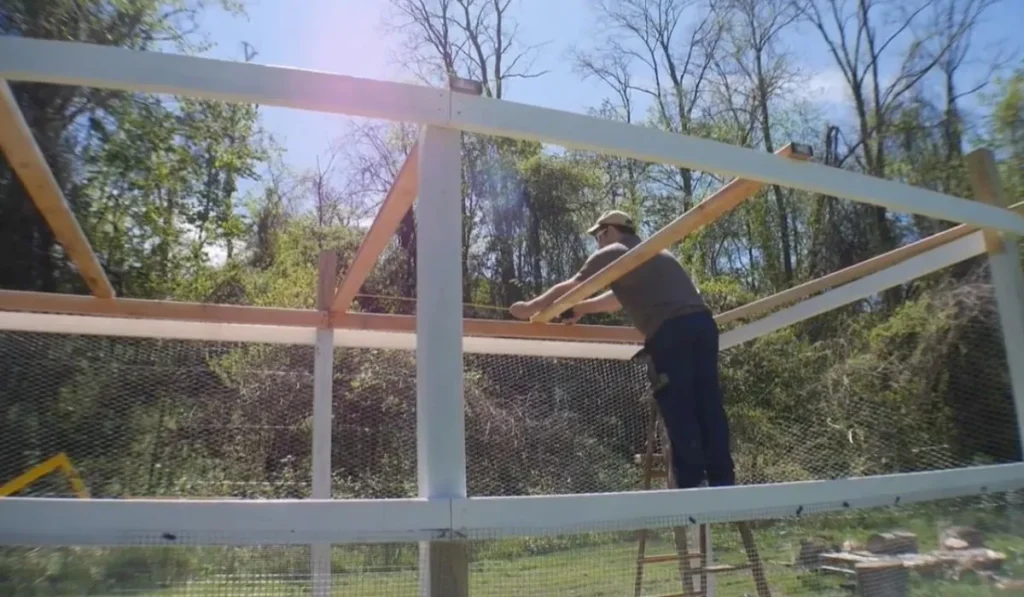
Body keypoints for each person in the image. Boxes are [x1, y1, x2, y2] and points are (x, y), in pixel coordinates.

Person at [509, 210, 735, 489]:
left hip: (671, 331)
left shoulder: (614, 251)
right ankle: (723, 480)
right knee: (708, 403)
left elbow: (575, 285)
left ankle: (691, 484)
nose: (597, 242)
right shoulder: (655, 252)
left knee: (679, 404)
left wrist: (530, 309)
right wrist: (580, 309)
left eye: (597, 235)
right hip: (702, 325)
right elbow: (616, 299)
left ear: (609, 231)